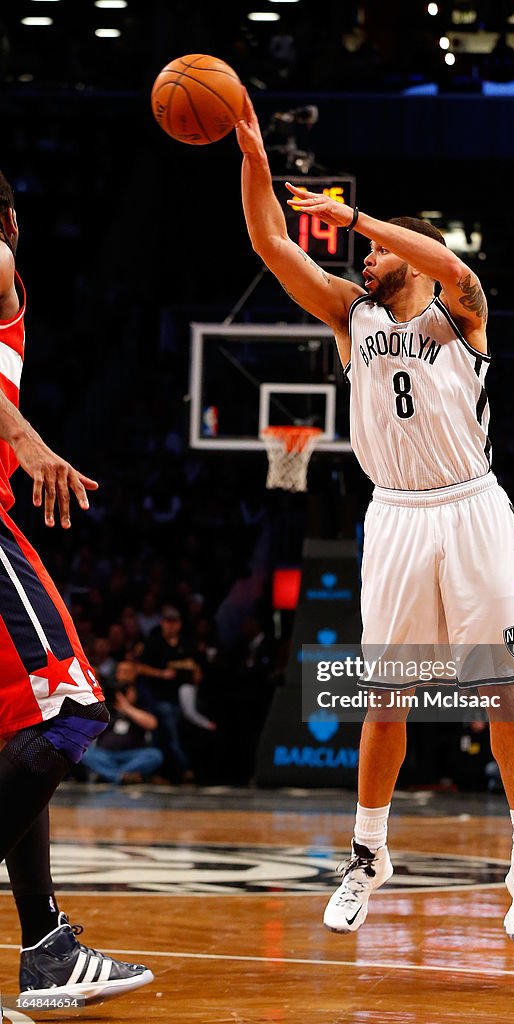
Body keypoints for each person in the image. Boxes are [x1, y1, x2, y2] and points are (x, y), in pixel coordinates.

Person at [235, 91, 514, 948]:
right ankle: (367, 857)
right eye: (363, 251)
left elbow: (450, 262)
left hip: (471, 508)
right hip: (398, 517)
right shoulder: (351, 316)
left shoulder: (463, 313)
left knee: (499, 689)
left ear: (403, 252)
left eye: (374, 251)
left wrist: (366, 217)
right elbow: (269, 242)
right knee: (385, 701)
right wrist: (254, 156)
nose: (362, 259)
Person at [0, 170, 153, 1001]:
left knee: (20, 731)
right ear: (11, 220)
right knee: (69, 713)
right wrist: (25, 439)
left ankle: (47, 947)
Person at [135, 604, 198, 781]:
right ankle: (183, 770)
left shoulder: (185, 643)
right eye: (168, 622)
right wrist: (161, 673)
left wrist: (186, 668)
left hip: (183, 697)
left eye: (174, 622)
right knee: (166, 736)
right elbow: (140, 667)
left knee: (173, 735)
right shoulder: (154, 642)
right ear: (162, 623)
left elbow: (194, 664)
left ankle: (167, 772)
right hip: (158, 697)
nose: (171, 626)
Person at [82, 662, 163, 784]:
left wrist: (127, 708)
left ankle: (111, 774)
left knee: (155, 755)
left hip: (132, 755)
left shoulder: (142, 698)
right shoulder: (107, 698)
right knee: (84, 753)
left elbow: (152, 723)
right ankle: (121, 777)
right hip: (105, 754)